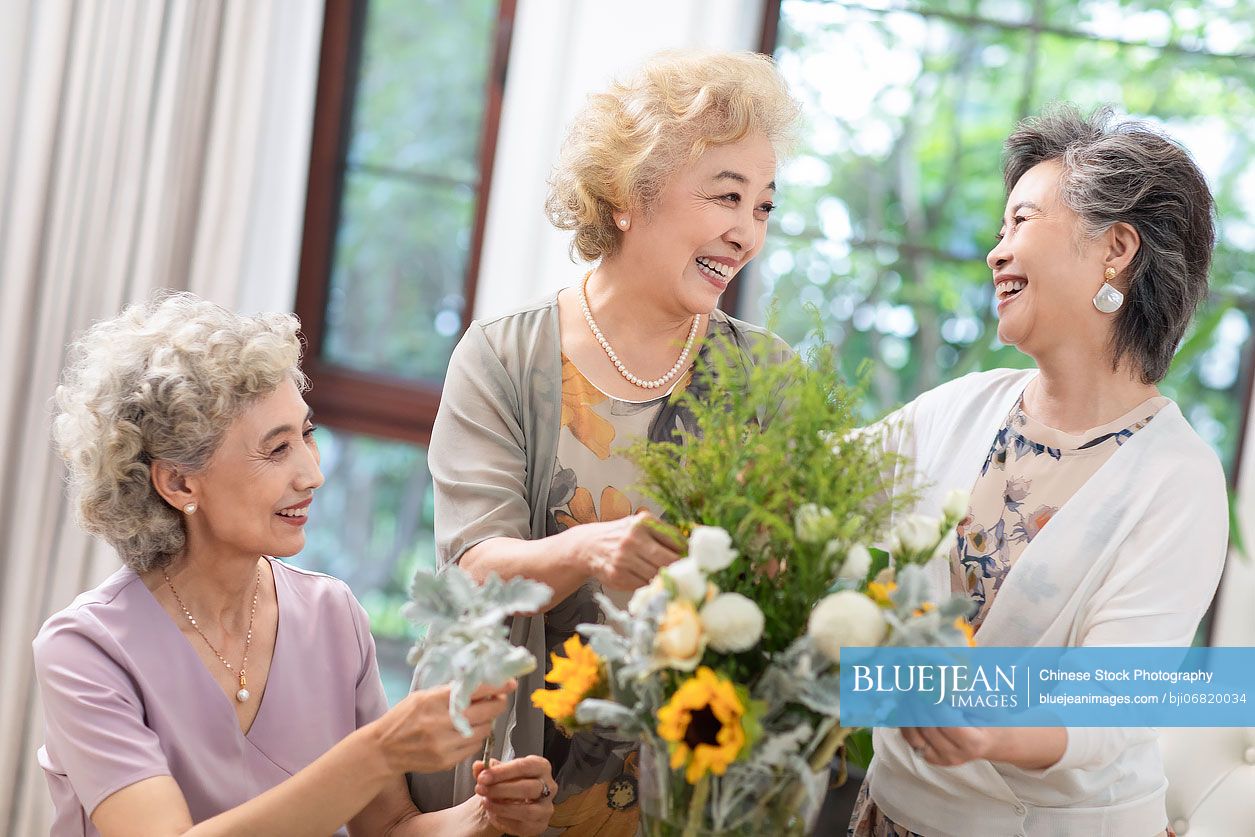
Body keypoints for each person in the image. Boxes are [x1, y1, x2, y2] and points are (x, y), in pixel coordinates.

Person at [408, 50, 799, 835]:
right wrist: (587, 550)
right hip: (510, 780)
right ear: (627, 195)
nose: (745, 232)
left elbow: (779, 591)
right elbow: (474, 569)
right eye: (726, 196)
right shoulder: (504, 357)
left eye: (762, 207)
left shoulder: (767, 376)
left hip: (679, 787)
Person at [34, 293, 556, 837]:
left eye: (306, 434)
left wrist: (484, 814)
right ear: (180, 483)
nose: (312, 474)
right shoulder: (84, 650)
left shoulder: (333, 616)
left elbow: (390, 825)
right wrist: (376, 751)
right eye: (276, 449)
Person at [848, 106, 1226, 837]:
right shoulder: (960, 407)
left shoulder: (1176, 480)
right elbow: (813, 494)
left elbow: (1109, 702)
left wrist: (983, 735)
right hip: (893, 813)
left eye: (1020, 221)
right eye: (997, 231)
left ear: (1115, 247)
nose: (996, 252)